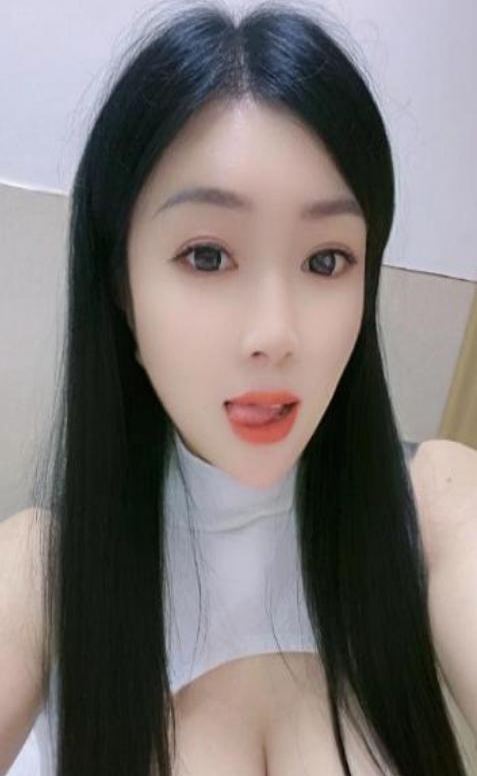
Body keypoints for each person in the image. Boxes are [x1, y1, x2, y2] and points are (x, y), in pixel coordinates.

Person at [2, 1, 475, 774]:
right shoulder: (41, 574)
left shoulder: (436, 507)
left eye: (325, 260)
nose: (274, 334)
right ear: (121, 287)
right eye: (206, 256)